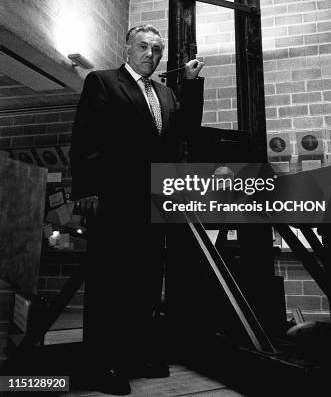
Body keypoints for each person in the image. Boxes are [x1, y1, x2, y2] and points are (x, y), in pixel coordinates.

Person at [70, 24, 204, 395]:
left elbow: (186, 131)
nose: (151, 54)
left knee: (145, 281)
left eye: (157, 49)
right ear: (127, 48)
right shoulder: (103, 82)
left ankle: (135, 354)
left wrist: (191, 83)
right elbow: (86, 137)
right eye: (143, 46)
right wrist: (87, 189)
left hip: (154, 200)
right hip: (114, 199)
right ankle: (102, 364)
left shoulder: (166, 92)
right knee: (110, 282)